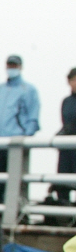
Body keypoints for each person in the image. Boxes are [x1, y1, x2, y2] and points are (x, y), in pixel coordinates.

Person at [0, 55, 40, 204]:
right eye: (10, 65)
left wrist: (25, 135)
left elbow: (33, 117)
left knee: (15, 181)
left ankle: (15, 213)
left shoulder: (28, 90)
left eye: (15, 65)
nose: (12, 68)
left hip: (15, 142)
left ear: (20, 67)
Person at [51, 68, 76, 202]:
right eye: (72, 79)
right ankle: (64, 215)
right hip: (67, 150)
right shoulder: (66, 101)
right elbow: (65, 123)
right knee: (62, 184)